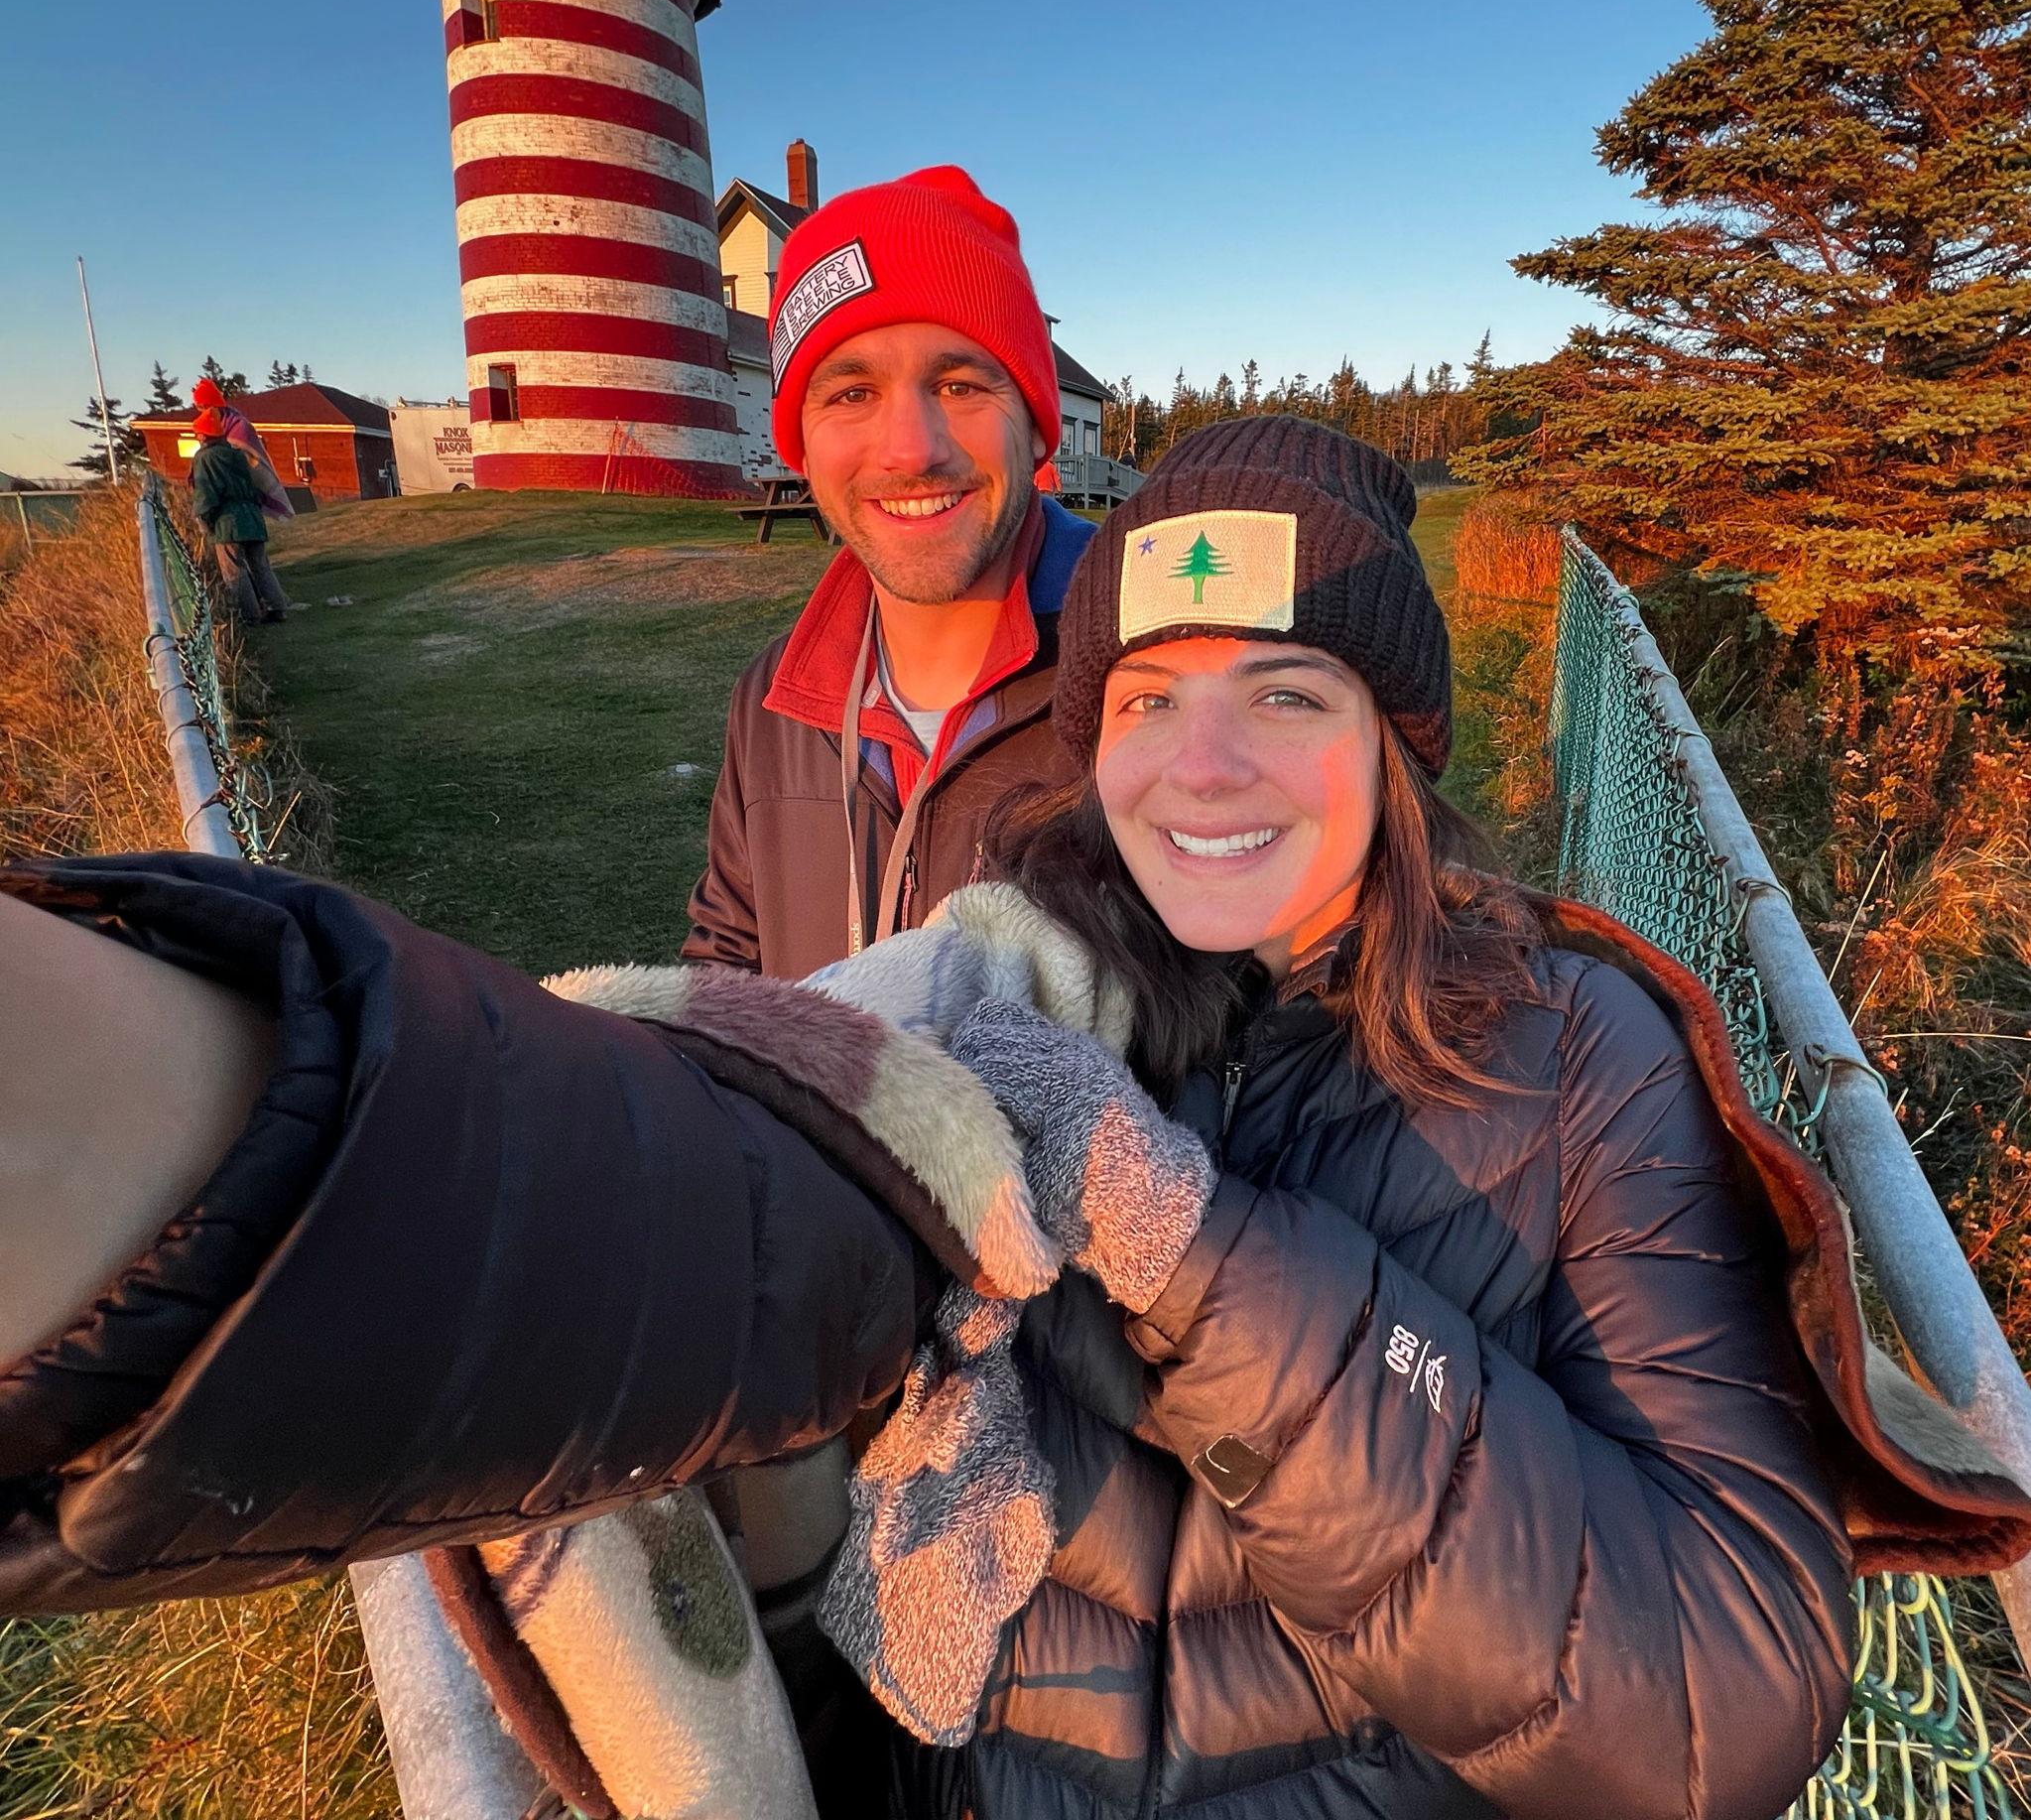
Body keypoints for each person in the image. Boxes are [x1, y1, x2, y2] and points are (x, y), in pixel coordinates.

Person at [3, 422, 2029, 1820]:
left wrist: (1201, 1261)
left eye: (1289, 694)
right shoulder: (994, 997)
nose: (1202, 764)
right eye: (1144, 699)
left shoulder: (1578, 1055)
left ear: (1400, 752)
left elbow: (1725, 1702)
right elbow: (652, 1198)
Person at [682, 164, 1094, 978]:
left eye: (959, 383)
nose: (911, 449)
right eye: (851, 393)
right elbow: (729, 960)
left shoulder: (1151, 674)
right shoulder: (775, 703)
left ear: (1037, 427)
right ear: (800, 443)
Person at [190, 406, 289, 624]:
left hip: (228, 523)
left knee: (234, 571)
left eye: (197, 433)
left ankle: (250, 615)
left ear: (204, 435)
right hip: (252, 517)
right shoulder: (238, 454)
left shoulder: (204, 458)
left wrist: (203, 520)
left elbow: (205, 492)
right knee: (261, 566)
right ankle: (277, 607)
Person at [191, 375, 294, 521]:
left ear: (213, 405)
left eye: (203, 406)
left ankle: (277, 510)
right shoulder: (211, 429)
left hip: (242, 499)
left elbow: (251, 464)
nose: (202, 411)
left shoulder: (239, 428)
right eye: (199, 407)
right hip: (231, 506)